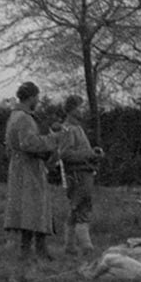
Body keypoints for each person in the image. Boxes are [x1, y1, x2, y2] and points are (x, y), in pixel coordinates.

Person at [4, 82, 60, 263]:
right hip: (29, 167)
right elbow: (29, 143)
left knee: (28, 209)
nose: (38, 100)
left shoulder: (14, 115)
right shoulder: (25, 118)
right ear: (31, 97)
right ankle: (34, 251)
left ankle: (31, 250)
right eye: (37, 96)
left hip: (19, 166)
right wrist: (52, 140)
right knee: (34, 208)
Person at [56, 95, 103, 255]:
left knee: (78, 208)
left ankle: (70, 246)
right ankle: (86, 246)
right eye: (79, 107)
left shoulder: (77, 128)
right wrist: (89, 155)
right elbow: (66, 154)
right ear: (72, 109)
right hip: (77, 174)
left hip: (84, 172)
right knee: (81, 207)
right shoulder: (68, 129)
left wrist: (93, 152)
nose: (82, 110)